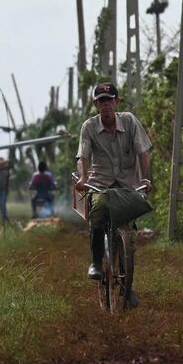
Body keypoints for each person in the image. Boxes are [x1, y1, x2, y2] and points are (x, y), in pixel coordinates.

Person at [74, 82, 153, 308]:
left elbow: (143, 153)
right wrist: (82, 178)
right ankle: (96, 262)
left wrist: (145, 179)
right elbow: (83, 157)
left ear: (117, 102)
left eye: (110, 100)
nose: (106, 104)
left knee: (129, 235)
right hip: (101, 184)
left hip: (127, 186)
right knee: (97, 213)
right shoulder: (89, 127)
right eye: (101, 101)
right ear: (96, 104)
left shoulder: (129, 121)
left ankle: (128, 284)